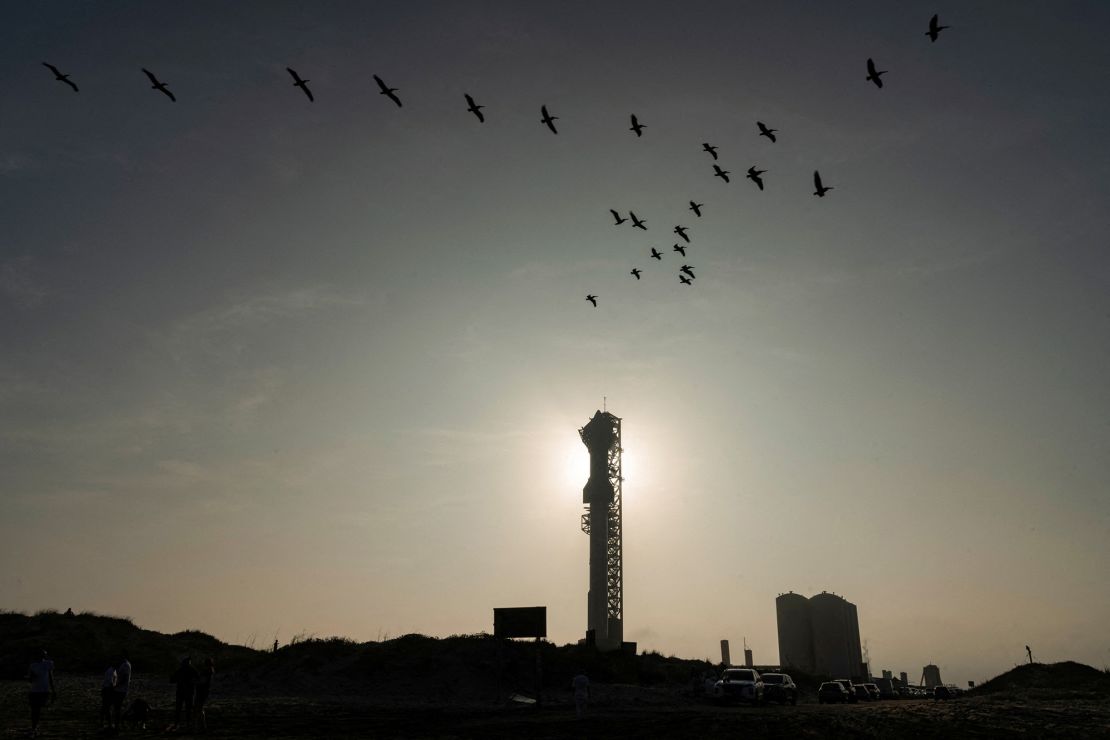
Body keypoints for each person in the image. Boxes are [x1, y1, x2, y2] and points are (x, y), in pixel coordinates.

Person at [27, 649, 56, 738]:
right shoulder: (33, 665)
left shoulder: (48, 664)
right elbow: (30, 680)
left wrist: (53, 690)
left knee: (37, 710)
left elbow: (51, 677)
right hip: (35, 690)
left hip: (42, 690)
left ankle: (35, 728)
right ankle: (34, 728)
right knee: (35, 710)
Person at [170, 656, 200, 732]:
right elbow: (198, 679)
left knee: (179, 709)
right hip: (189, 692)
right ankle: (187, 724)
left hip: (181, 692)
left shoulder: (180, 670)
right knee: (188, 709)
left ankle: (177, 724)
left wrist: (179, 680)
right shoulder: (192, 669)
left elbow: (172, 680)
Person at [194, 657, 215, 733]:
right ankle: (202, 726)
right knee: (200, 708)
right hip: (204, 691)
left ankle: (200, 726)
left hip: (202, 691)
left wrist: (194, 681)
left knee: (198, 708)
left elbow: (202, 681)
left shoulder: (207, 671)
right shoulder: (210, 671)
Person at [112, 651, 132, 730]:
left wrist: (116, 685)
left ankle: (117, 724)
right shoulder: (124, 664)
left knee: (117, 707)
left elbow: (125, 677)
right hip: (120, 689)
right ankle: (117, 724)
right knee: (117, 707)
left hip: (121, 689)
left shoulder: (126, 665)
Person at [100, 662, 117, 728]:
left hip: (107, 689)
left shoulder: (113, 670)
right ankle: (108, 723)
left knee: (105, 707)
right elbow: (111, 683)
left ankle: (103, 722)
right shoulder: (111, 671)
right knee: (106, 707)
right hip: (108, 690)